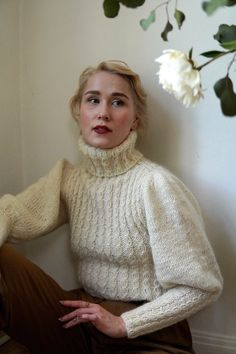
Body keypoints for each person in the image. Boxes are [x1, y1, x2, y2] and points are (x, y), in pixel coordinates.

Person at [0, 60, 223, 354]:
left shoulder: (155, 185)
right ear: (79, 111)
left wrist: (125, 323)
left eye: (118, 102)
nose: (103, 112)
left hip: (148, 334)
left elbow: (202, 286)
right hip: (82, 321)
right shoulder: (68, 179)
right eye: (93, 100)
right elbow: (12, 214)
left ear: (135, 120)